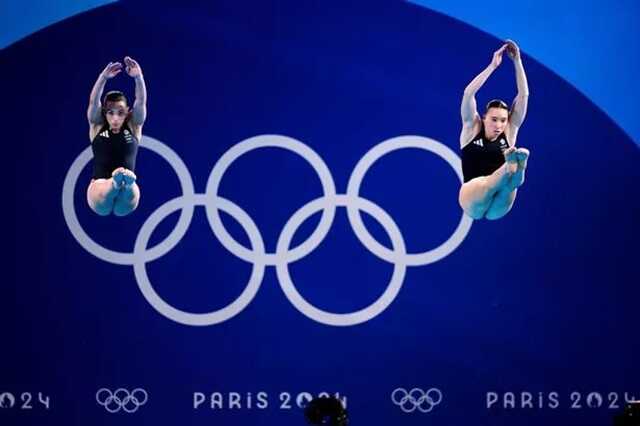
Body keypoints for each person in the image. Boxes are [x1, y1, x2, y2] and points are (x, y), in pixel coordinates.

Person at [458, 40, 530, 220]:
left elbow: (524, 96)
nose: (499, 125)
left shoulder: (509, 132)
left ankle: (516, 169)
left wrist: (517, 61)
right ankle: (512, 167)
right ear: (484, 118)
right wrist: (492, 66)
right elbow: (468, 94)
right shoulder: (472, 128)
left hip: (499, 202)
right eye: (494, 120)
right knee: (488, 184)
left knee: (510, 185)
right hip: (472, 197)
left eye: (503, 121)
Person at [86, 56, 147, 216]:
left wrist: (138, 78)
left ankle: (122, 184)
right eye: (111, 113)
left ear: (128, 112)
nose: (115, 118)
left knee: (130, 192)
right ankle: (115, 183)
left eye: (120, 113)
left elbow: (140, 102)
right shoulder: (97, 125)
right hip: (98, 188)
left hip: (127, 195)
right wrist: (103, 77)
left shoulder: (134, 126)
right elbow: (93, 101)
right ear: (104, 113)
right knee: (105, 191)